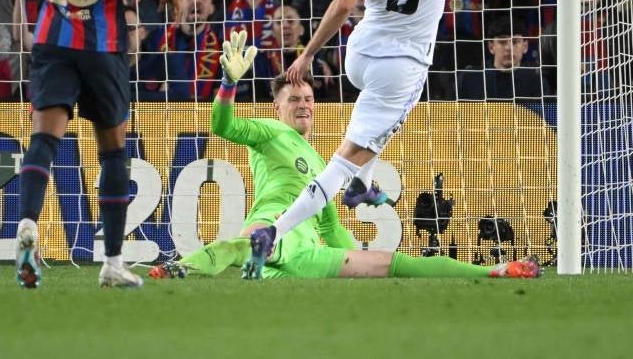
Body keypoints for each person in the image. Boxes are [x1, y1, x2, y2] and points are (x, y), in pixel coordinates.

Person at [248, 0, 492, 274]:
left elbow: (345, 4)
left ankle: (363, 184)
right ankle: (275, 231)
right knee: (345, 158)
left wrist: (308, 53)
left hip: (359, 54)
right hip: (401, 65)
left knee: (379, 123)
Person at [149, 49, 540, 281]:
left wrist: (358, 259)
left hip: (309, 255)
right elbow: (224, 126)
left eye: (307, 99)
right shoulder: (269, 131)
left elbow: (330, 225)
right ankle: (180, 268)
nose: (303, 105)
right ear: (277, 108)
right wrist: (229, 84)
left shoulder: (325, 166)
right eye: (293, 99)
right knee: (248, 242)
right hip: (274, 223)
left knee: (395, 264)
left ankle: (497, 271)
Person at [6, 0, 180, 289]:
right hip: (102, 44)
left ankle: (27, 223)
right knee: (113, 152)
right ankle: (113, 262)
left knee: (44, 140)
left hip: (52, 40)